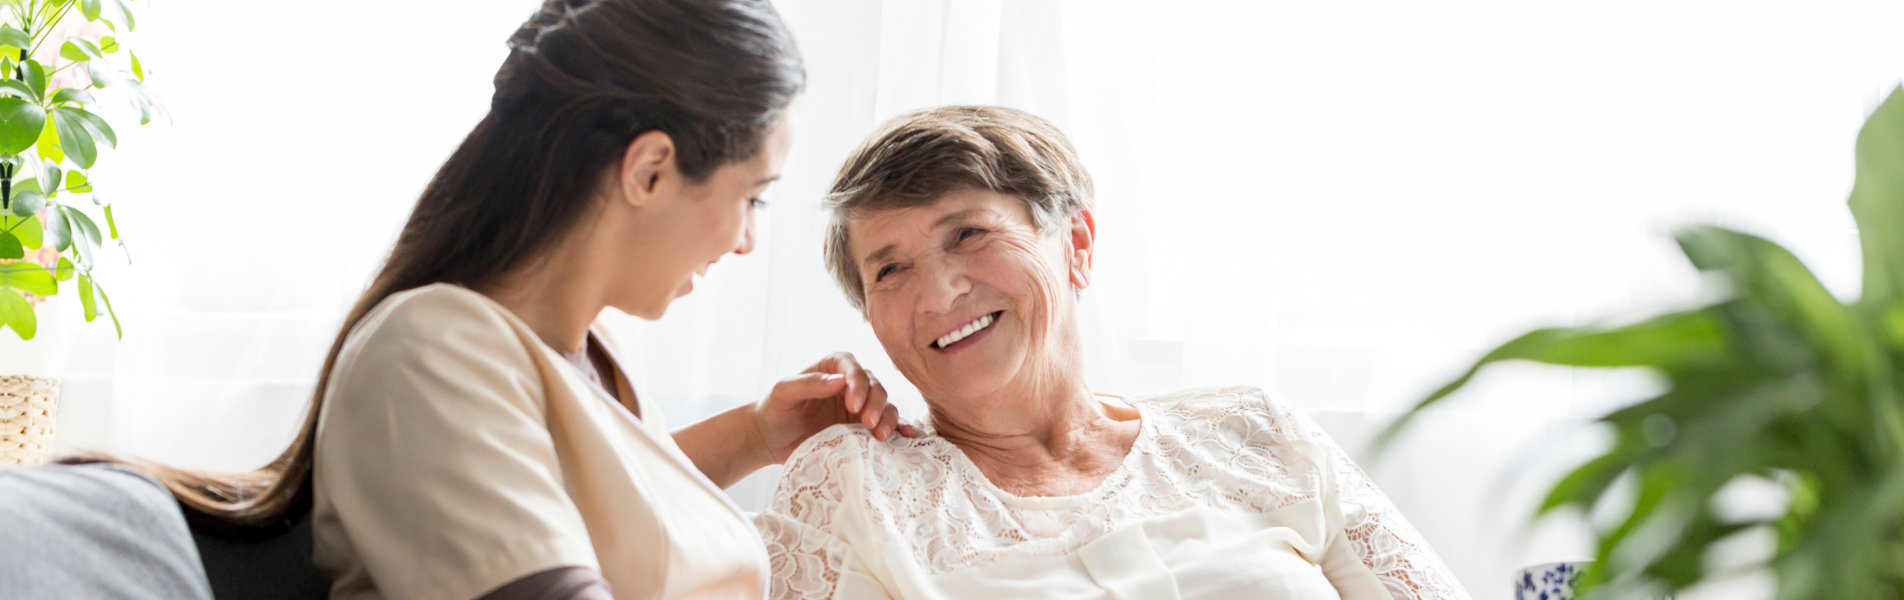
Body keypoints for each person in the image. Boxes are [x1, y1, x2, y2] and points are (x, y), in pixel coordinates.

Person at [112, 1, 913, 598]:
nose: (745, 241)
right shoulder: (431, 352)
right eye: (754, 197)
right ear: (650, 171)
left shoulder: (587, 347)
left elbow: (605, 517)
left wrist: (754, 434)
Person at [756, 106, 1471, 599]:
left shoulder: (1257, 431)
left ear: (1077, 245)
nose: (940, 294)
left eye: (968, 233)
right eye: (890, 269)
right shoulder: (853, 485)